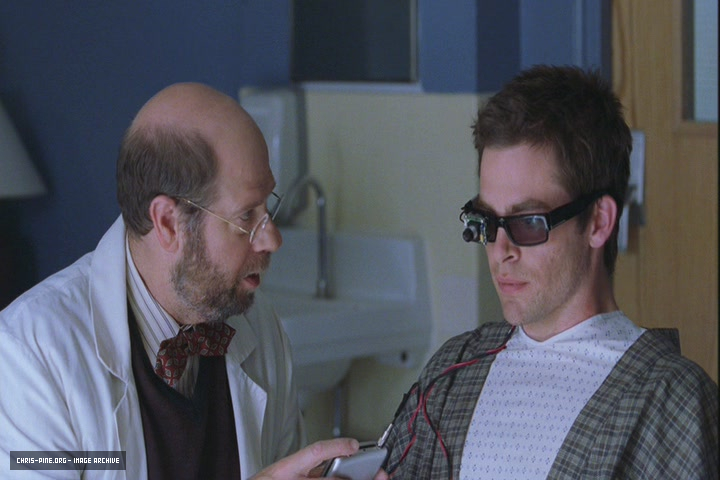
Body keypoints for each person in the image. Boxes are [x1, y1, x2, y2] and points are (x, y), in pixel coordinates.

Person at [0, 83, 360, 479]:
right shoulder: (30, 356)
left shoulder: (260, 327)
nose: (272, 239)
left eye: (267, 206)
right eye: (246, 216)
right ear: (168, 223)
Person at [379, 65, 719, 479]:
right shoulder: (453, 371)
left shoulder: (670, 402)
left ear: (598, 222)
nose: (500, 252)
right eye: (487, 222)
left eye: (527, 223)